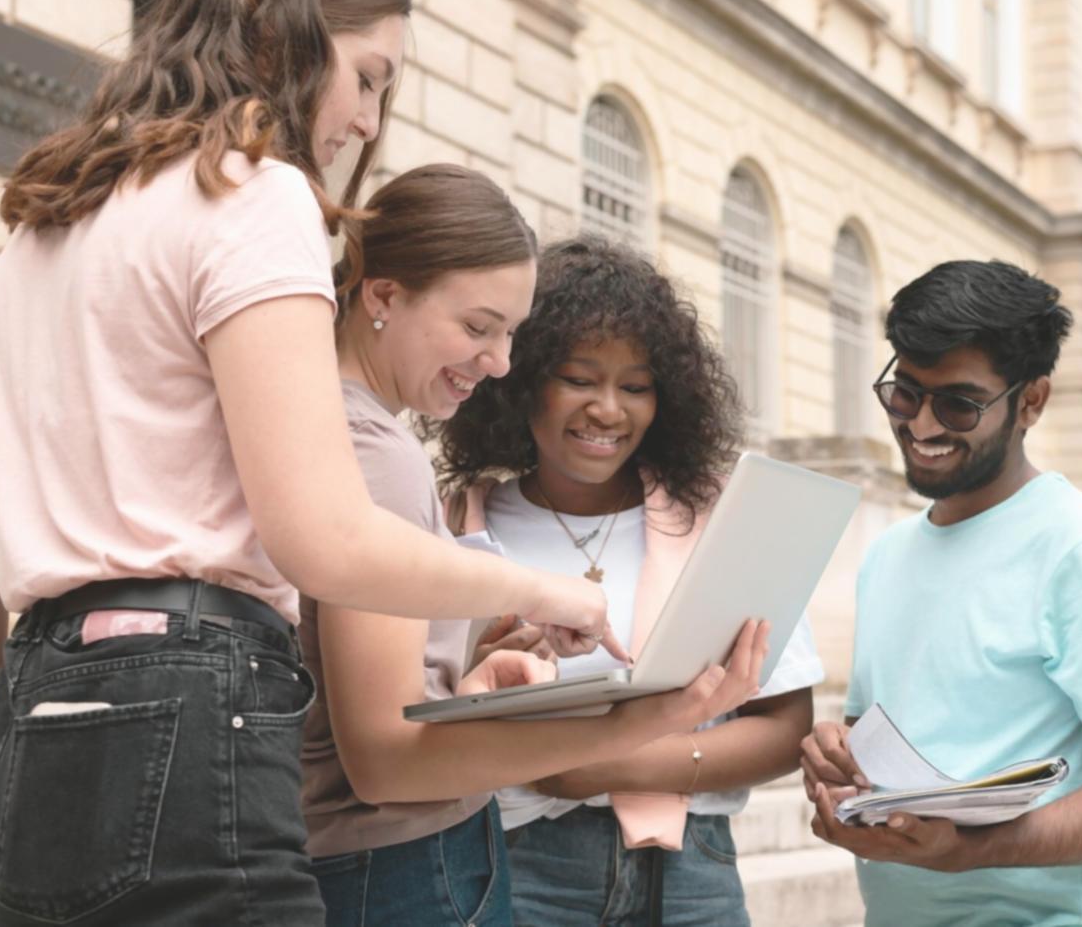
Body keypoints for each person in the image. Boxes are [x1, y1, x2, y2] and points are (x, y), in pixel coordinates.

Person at [0, 0, 613, 924]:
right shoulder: (252, 193)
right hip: (189, 706)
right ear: (286, 36)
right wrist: (549, 591)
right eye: (367, 78)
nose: (366, 121)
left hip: (26, 725)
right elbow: (321, 535)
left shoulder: (35, 238)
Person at [300, 166, 770, 927]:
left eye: (511, 335)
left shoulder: (338, 431)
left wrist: (474, 684)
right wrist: (625, 728)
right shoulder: (379, 455)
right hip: (397, 866)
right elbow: (383, 760)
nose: (498, 364)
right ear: (382, 295)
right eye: (479, 327)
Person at [439, 235, 826, 926]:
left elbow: (784, 725)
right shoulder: (460, 526)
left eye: (635, 386)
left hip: (693, 873)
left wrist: (602, 762)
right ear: (521, 379)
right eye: (579, 379)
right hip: (516, 863)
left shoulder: (719, 520)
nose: (608, 410)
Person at [800, 259, 1082, 926]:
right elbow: (879, 739)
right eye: (904, 392)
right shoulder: (887, 553)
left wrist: (969, 849)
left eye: (957, 402)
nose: (920, 425)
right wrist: (836, 758)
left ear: (1031, 401)